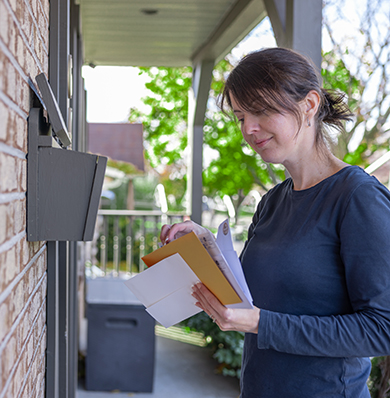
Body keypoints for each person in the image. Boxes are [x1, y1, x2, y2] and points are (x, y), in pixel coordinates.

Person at [160, 47, 390, 397]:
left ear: (310, 104)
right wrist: (204, 245)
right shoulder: (272, 201)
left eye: (262, 110)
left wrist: (259, 324)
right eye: (240, 117)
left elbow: (381, 329)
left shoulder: (357, 197)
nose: (249, 128)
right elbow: (264, 290)